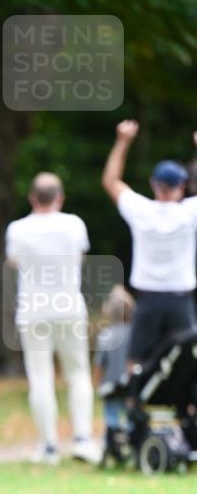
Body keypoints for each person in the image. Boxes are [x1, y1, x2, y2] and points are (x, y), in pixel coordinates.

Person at [5, 172, 101, 465]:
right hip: (69, 307)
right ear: (60, 197)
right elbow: (81, 257)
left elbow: (13, 261)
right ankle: (83, 440)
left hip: (34, 311)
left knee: (41, 378)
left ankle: (48, 447)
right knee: (78, 374)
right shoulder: (74, 224)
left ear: (32, 197)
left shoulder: (18, 229)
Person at [102, 120, 197, 364]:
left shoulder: (141, 210)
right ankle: (188, 402)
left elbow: (111, 181)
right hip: (180, 298)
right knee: (187, 359)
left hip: (147, 298)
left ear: (154, 184)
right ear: (182, 186)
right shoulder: (189, 213)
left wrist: (123, 142)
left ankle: (133, 399)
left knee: (135, 359)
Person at [94, 285, 135, 461]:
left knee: (112, 417)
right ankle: (131, 445)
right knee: (130, 417)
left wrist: (97, 384)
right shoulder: (134, 334)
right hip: (130, 386)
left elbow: (99, 365)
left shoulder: (105, 336)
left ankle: (112, 446)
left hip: (110, 387)